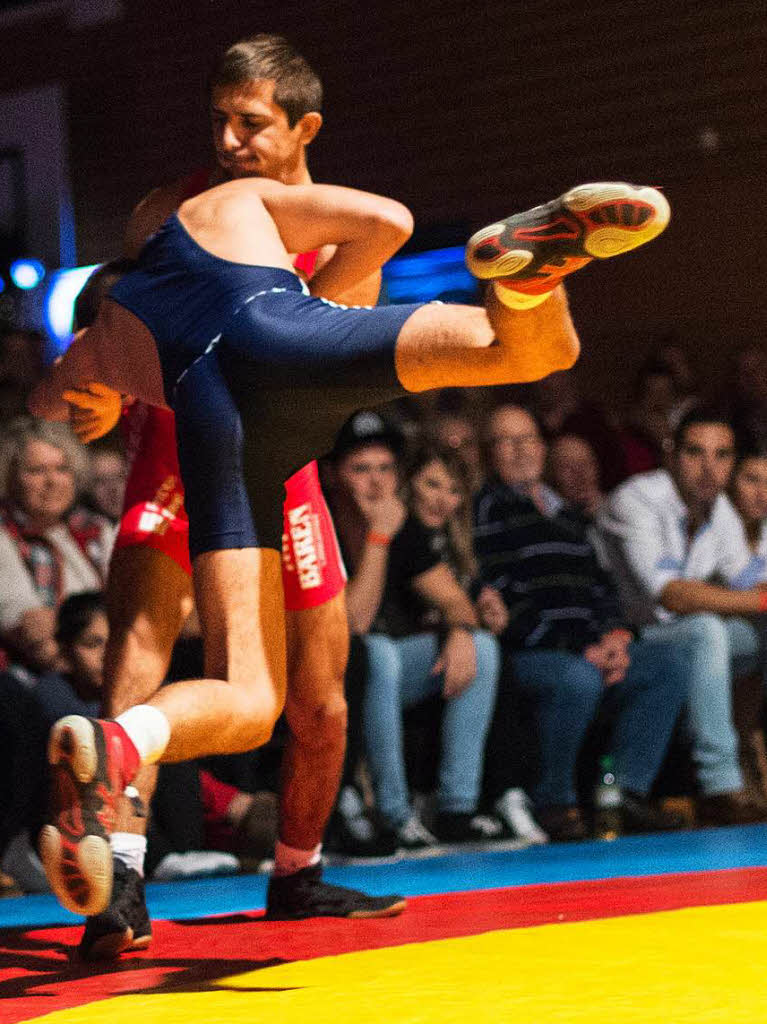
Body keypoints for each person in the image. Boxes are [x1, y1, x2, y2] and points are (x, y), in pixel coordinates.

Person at [29, 172, 670, 917]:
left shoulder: (103, 342)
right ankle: (526, 283)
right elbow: (388, 219)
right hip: (289, 345)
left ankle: (119, 744)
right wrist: (318, 302)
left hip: (223, 438)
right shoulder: (226, 206)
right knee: (524, 353)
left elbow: (53, 402)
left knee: (246, 695)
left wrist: (93, 394)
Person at [60, 35, 403, 955]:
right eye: (217, 119)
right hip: (177, 438)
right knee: (139, 641)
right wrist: (99, 384)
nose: (229, 138)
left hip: (281, 456)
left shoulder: (342, 232)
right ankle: (117, 879)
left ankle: (296, 873)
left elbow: (328, 351)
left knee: (320, 700)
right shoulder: (169, 211)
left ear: (304, 129)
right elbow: (108, 317)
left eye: (250, 123)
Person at [473, 404, 688, 840]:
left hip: (587, 647)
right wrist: (580, 648)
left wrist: (615, 635)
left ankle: (625, 793)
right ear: (488, 454)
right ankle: (554, 801)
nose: (520, 451)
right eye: (505, 441)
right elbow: (500, 599)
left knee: (667, 665)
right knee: (578, 679)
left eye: (528, 438)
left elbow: (601, 586)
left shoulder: (567, 513)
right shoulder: (488, 508)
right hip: (530, 653)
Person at [325, 417, 506, 847]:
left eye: (385, 469)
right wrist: (378, 538)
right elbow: (355, 626)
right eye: (362, 470)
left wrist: (460, 630)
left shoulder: (399, 523)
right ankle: (395, 814)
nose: (376, 483)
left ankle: (457, 809)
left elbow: (456, 601)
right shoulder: (323, 522)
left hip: (379, 675)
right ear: (335, 476)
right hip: (325, 673)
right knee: (379, 652)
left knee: (482, 647)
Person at [598, 406, 767, 825]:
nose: (709, 468)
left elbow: (752, 579)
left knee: (754, 634)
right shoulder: (636, 499)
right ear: (672, 452)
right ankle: (720, 785)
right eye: (696, 453)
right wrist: (762, 602)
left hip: (679, 635)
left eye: (722, 455)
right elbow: (671, 595)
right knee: (707, 629)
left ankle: (751, 761)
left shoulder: (719, 511)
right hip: (621, 634)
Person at [0, 418, 112, 671]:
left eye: (62, 469)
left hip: (109, 668)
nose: (52, 481)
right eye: (36, 471)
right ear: (11, 478)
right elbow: (33, 634)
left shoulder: (97, 529)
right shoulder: (4, 534)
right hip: (34, 682)